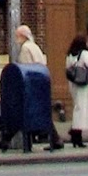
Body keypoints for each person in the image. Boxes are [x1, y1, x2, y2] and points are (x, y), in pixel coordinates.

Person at [12, 24, 63, 152]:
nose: (16, 38)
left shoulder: (25, 49)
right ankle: (56, 139)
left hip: (32, 85)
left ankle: (11, 140)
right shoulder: (35, 47)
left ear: (22, 36)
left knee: (26, 112)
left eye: (17, 36)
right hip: (42, 82)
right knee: (43, 112)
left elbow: (26, 68)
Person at [64, 34, 88, 148]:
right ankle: (76, 133)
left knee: (77, 108)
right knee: (82, 110)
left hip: (73, 84)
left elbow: (67, 69)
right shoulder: (84, 54)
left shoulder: (69, 55)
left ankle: (76, 135)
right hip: (82, 85)